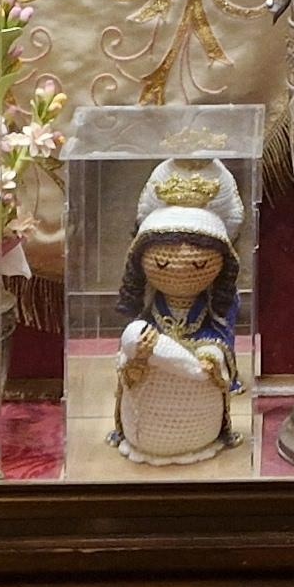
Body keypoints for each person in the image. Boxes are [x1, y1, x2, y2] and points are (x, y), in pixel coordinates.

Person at [111, 156, 247, 464]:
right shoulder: (150, 312)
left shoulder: (212, 311)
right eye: (161, 263)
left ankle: (205, 434)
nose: (179, 269)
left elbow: (220, 339)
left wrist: (213, 356)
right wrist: (136, 356)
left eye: (199, 264)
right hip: (152, 395)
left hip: (196, 398)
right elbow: (130, 348)